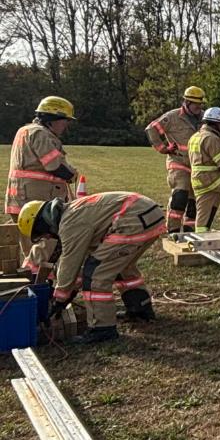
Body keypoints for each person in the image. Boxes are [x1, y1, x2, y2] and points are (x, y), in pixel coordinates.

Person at [17, 192, 164, 344]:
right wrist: (71, 289)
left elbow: (70, 263)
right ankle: (140, 309)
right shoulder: (73, 211)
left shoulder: (70, 224)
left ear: (43, 223)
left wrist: (59, 298)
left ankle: (102, 328)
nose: (47, 238)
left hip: (133, 221)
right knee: (120, 265)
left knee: (96, 274)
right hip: (151, 215)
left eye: (43, 234)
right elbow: (83, 261)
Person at [5, 96, 78, 277]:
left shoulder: (25, 130)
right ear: (52, 118)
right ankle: (36, 282)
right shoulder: (41, 134)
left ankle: (34, 285)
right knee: (47, 244)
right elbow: (54, 165)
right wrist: (72, 174)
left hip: (19, 200)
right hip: (37, 204)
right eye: (64, 120)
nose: (66, 125)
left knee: (31, 247)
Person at [145, 87, 206, 234]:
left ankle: (189, 230)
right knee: (180, 195)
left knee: (194, 201)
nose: (199, 107)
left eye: (200, 104)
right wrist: (162, 148)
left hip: (197, 165)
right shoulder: (172, 117)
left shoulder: (204, 117)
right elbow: (151, 129)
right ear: (186, 102)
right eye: (195, 103)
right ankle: (172, 229)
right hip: (178, 162)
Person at [188, 107, 220, 234]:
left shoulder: (194, 136)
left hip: (199, 180)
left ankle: (201, 236)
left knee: (204, 214)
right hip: (213, 179)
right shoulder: (212, 139)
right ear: (216, 124)